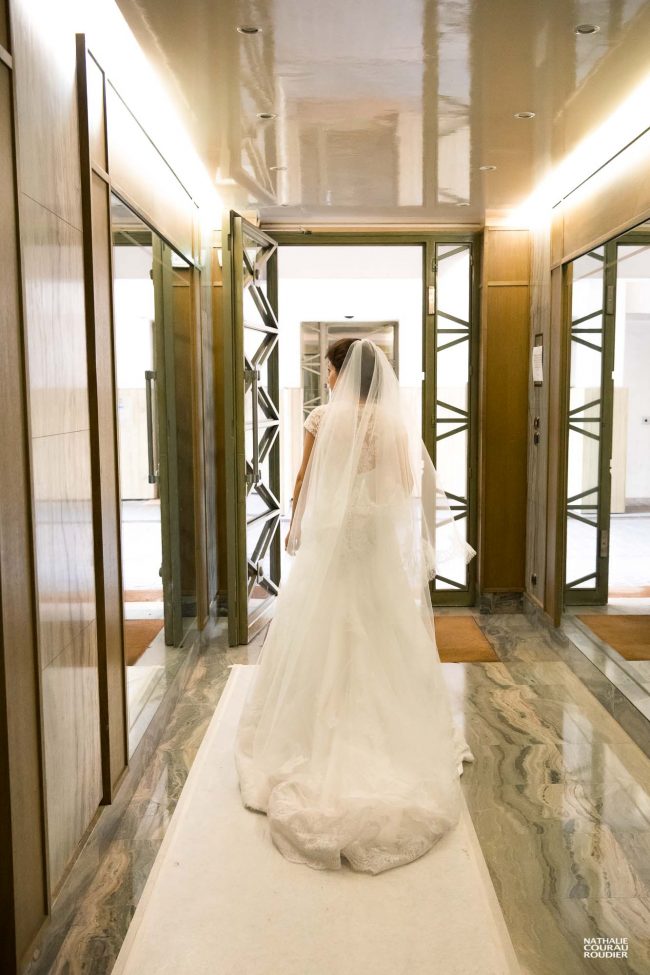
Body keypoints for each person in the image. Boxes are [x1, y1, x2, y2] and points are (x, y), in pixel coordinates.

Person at [234, 338, 477, 875]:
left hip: (332, 533)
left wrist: (296, 524)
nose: (326, 375)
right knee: (381, 622)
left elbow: (305, 477)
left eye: (328, 367)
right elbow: (406, 482)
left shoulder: (323, 418)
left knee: (319, 621)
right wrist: (374, 504)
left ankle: (310, 724)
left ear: (341, 373)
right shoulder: (392, 423)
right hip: (372, 537)